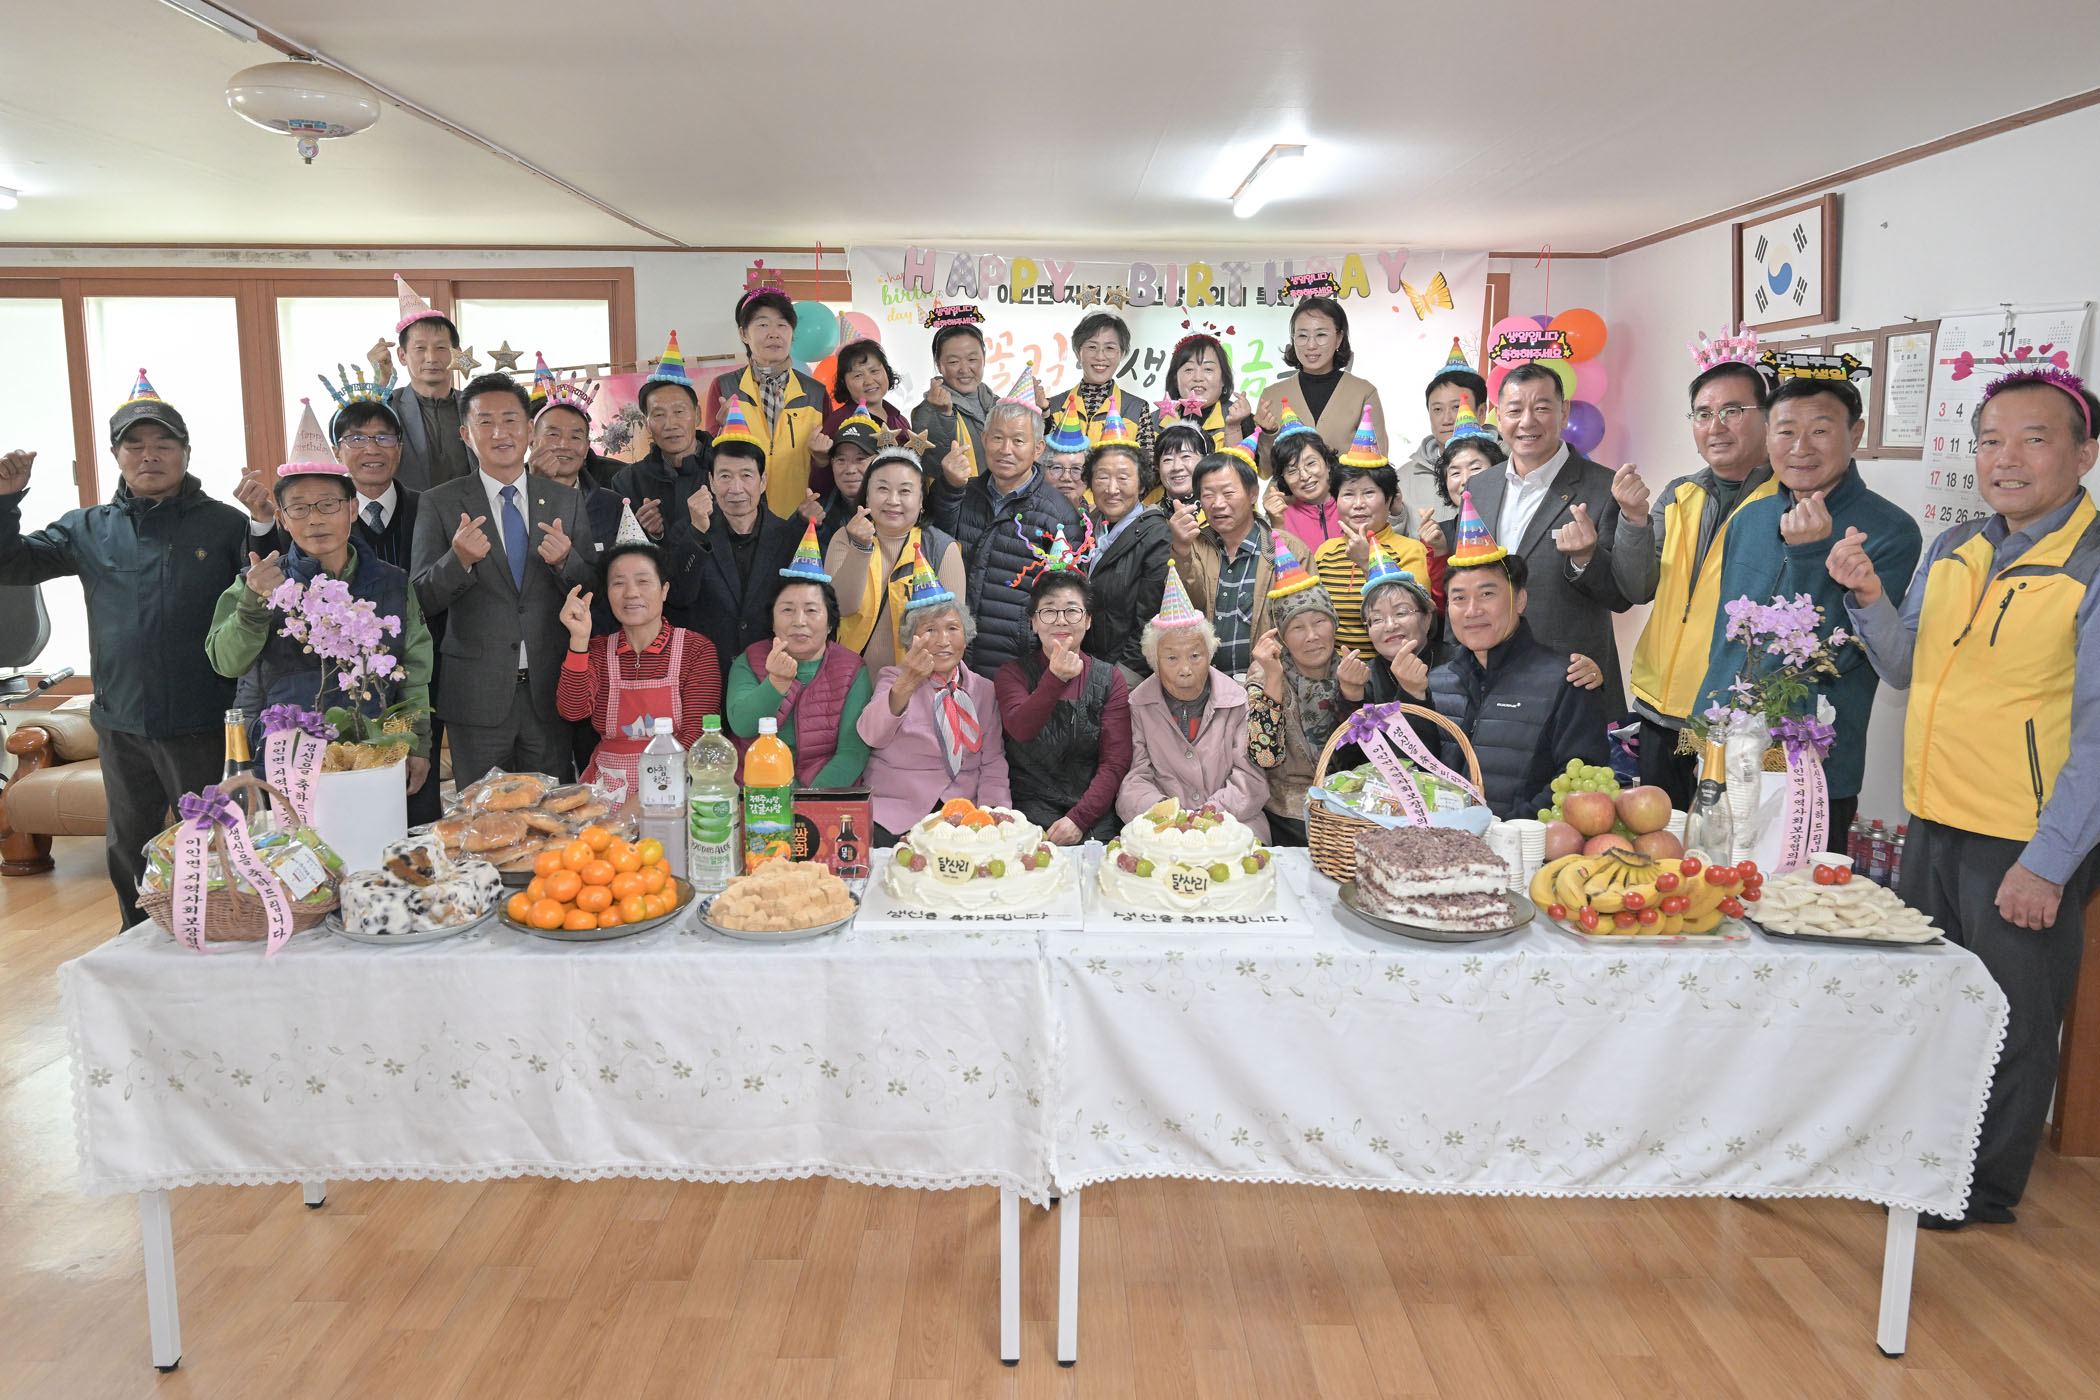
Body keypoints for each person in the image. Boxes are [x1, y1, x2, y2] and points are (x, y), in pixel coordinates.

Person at [1835, 368, 2100, 1229]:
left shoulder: (2090, 563)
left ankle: (1977, 1191)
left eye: (2034, 439)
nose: (2006, 458)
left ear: (2085, 454)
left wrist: (2048, 864)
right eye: (1990, 441)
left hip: (2025, 838)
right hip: (1935, 815)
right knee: (1935, 1002)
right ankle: (1924, 1158)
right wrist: (1868, 598)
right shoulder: (1957, 546)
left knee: (2012, 1021)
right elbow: (1905, 665)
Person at [0, 372, 249, 929]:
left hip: (204, 718)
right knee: (129, 844)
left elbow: (266, 603)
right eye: (134, 445)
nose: (149, 455)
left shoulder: (225, 524)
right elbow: (10, 563)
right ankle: (134, 941)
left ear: (186, 453)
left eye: (163, 444)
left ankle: (227, 934)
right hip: (121, 720)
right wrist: (5, 502)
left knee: (218, 838)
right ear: (116, 455)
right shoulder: (86, 528)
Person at [1694, 373, 1921, 842]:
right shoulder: (1751, 517)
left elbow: (1842, 653)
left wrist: (1810, 554)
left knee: (1795, 889)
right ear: (1767, 436)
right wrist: (1703, 726)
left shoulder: (1888, 530)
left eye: (1820, 430)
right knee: (1708, 872)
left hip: (1812, 764)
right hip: (1722, 748)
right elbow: (1726, 638)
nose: (1800, 447)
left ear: (1855, 434)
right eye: (1786, 431)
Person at [205, 401, 433, 796]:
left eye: (329, 505)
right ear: (282, 517)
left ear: (353, 509)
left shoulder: (393, 583)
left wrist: (414, 743)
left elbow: (413, 675)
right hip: (282, 759)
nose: (315, 519)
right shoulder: (256, 582)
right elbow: (226, 663)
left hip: (371, 755)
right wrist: (254, 603)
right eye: (299, 508)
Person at [411, 372, 598, 783]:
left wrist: (565, 562)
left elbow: (592, 589)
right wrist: (458, 561)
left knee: (551, 811)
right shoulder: (439, 503)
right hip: (475, 696)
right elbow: (420, 599)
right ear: (466, 434)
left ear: (529, 430)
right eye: (486, 422)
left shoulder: (565, 500)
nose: (500, 433)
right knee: (480, 812)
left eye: (511, 420)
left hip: (549, 691)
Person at [1618, 335, 1777, 807]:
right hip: (1659, 706)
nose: (1716, 426)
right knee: (1658, 836)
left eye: (1733, 411)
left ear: (1768, 417)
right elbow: (1637, 587)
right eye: (1703, 414)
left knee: (1724, 837)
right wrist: (1633, 521)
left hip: (1734, 718)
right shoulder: (1680, 493)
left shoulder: (1786, 503)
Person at [1459, 362, 1638, 714]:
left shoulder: (1604, 487)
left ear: (1564, 411)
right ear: (1499, 416)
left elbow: (1623, 595)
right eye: (1515, 410)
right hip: (1489, 680)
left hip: (1572, 682)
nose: (1527, 422)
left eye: (1541, 408)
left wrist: (1586, 558)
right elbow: (1464, 582)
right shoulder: (1480, 487)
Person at [1423, 495, 1609, 819]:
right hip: (1444, 842)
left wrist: (1511, 831)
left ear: (1520, 600)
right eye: (1459, 598)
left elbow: (1579, 781)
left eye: (1487, 594)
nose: (1472, 610)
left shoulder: (1568, 680)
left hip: (1528, 843)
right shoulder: (1434, 682)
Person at [929, 377, 1085, 674]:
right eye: (998, 438)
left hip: (1020, 668)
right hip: (955, 660)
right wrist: (949, 487)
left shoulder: (1059, 515)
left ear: (1038, 448)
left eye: (1018, 441)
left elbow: (1066, 601)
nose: (1005, 449)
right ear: (984, 439)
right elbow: (937, 544)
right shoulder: (963, 492)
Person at [555, 528, 722, 796]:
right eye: (618, 583)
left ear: (664, 590)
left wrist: (644, 799)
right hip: (605, 790)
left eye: (643, 581)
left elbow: (696, 738)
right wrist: (579, 639)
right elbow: (572, 711)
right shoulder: (597, 650)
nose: (631, 593)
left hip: (674, 789)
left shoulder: (696, 649)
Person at [856, 556, 1009, 842]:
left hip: (961, 812)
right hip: (896, 809)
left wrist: (992, 815)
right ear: (911, 639)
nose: (942, 640)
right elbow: (871, 735)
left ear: (966, 634)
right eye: (929, 630)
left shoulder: (984, 689)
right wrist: (908, 681)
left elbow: (993, 762)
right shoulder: (892, 677)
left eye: (952, 628)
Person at [1116, 566, 1270, 838]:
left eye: (1195, 656)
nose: (1185, 669)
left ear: (1209, 654)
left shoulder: (1238, 701)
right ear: (1155, 662)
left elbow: (1250, 780)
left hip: (1232, 825)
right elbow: (1134, 780)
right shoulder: (1138, 705)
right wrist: (1170, 817)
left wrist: (1206, 816)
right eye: (1172, 658)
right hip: (1164, 830)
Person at [725, 532, 873, 786]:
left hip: (824, 788)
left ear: (830, 623)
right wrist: (776, 682)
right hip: (757, 787)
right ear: (772, 621)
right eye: (787, 610)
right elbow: (743, 725)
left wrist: (811, 799)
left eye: (811, 610)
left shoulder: (852, 669)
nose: (799, 621)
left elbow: (852, 752)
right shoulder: (749, 660)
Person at [995, 569, 1132, 844]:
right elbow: (1021, 729)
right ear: (1034, 622)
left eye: (1072, 611)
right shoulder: (1011, 674)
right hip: (1028, 807)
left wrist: (1079, 818)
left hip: (1092, 810)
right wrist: (1055, 678)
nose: (1060, 620)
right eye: (1049, 611)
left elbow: (1115, 762)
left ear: (1088, 620)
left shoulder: (1110, 679)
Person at [669, 403, 805, 674]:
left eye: (746, 476)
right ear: (711, 481)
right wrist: (697, 533)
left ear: (763, 481)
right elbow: (678, 597)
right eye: (725, 476)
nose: (736, 488)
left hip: (772, 671)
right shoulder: (687, 531)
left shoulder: (790, 536)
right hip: (707, 673)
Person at [1166, 445, 1310, 682]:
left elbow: (1306, 622)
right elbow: (1186, 611)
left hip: (1270, 684)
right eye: (1208, 495)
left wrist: (1273, 664)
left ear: (1253, 494)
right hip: (1204, 686)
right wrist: (1181, 550)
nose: (1217, 503)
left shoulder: (1288, 550)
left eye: (1228, 493)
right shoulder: (1193, 546)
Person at [825, 446, 967, 673]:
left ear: (921, 501)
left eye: (904, 491)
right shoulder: (845, 538)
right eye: (882, 489)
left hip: (916, 683)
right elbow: (839, 608)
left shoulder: (942, 549)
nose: (893, 500)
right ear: (867, 496)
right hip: (847, 680)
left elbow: (952, 635)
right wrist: (860, 548)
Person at [1245, 566, 1353, 846]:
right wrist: (1273, 679)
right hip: (1288, 811)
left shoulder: (1350, 670)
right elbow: (1265, 757)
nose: (1311, 636)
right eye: (1297, 627)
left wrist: (1354, 692)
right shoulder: (1265, 675)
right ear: (1281, 636)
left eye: (1319, 621)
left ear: (1334, 623)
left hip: (1348, 806)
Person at [704, 286, 830, 519]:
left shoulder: (816, 393)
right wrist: (720, 431)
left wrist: (822, 458)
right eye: (763, 324)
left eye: (782, 325)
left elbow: (829, 465)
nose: (774, 333)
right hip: (739, 521)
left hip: (800, 519)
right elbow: (709, 461)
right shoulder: (724, 388)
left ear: (792, 333)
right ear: (743, 334)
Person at [1311, 423, 1437, 649]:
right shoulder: (1325, 551)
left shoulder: (1411, 550)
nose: (1358, 504)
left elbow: (1413, 617)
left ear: (1390, 499)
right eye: (1348, 494)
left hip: (1390, 664)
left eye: (1369, 493)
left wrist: (1366, 562)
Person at [1253, 285, 1386, 475]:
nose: (1311, 345)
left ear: (1339, 338)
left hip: (1345, 494)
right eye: (1302, 336)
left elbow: (1378, 467)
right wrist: (1267, 435)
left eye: (1321, 335)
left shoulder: (1363, 393)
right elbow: (1265, 472)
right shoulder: (1272, 395)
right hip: (1286, 495)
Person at [612, 331, 710, 552]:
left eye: (679, 412)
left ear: (697, 415)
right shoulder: (628, 482)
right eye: (658, 415)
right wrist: (651, 535)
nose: (670, 424)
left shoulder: (726, 467)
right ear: (646, 423)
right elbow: (624, 554)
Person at [1080, 437, 1169, 679]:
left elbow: (1149, 618)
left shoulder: (1156, 534)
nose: (1111, 489)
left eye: (1123, 478)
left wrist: (1117, 678)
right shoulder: (1084, 527)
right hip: (1081, 663)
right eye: (1102, 477)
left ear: (1141, 486)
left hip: (1126, 671)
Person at [384, 275, 471, 491]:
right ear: (402, 355)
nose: (431, 358)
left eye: (441, 348)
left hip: (472, 508)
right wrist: (380, 382)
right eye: (420, 348)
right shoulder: (388, 405)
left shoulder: (474, 406)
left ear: (456, 353)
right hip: (410, 510)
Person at [1396, 338, 1494, 523]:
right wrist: (1395, 515)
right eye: (1437, 409)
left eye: (1457, 407)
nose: (1447, 419)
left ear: (1481, 412)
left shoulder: (1508, 465)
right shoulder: (1404, 477)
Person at [1042, 311, 1158, 453]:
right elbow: (1042, 457)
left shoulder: (1137, 408)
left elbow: (1147, 463)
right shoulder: (1052, 407)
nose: (1100, 356)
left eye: (1110, 348)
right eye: (1092, 347)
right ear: (1078, 352)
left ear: (1121, 354)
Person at [811, 340, 910, 494]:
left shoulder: (900, 419)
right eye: (858, 375)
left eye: (874, 371)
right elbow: (821, 488)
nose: (869, 381)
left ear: (886, 371)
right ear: (844, 382)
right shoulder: (839, 421)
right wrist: (820, 460)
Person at [911, 303, 997, 479]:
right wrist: (944, 415)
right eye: (953, 362)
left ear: (984, 358)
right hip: (959, 496)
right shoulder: (926, 412)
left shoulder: (998, 404)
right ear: (939, 365)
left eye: (972, 359)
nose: (964, 369)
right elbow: (933, 467)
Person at [1262, 408, 1343, 548]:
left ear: (1328, 463)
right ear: (1283, 479)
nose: (1304, 476)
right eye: (1292, 471)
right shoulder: (1277, 516)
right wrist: (1277, 524)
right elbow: (1270, 559)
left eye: (1311, 463)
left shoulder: (1353, 503)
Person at [1159, 332, 1254, 450]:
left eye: (1208, 369)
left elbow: (1243, 461)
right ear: (1175, 379)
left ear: (1223, 378)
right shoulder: (1154, 421)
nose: (1198, 377)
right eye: (1189, 369)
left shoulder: (1241, 419)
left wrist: (1234, 427)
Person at [807, 411, 880, 553]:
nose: (850, 470)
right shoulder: (818, 511)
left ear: (879, 461)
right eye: (841, 460)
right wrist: (804, 525)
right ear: (832, 463)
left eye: (860, 459)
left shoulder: (895, 511)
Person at [1429, 406, 1502, 548]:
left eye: (1475, 468)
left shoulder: (1513, 525)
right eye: (1455, 473)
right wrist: (1439, 551)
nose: (1466, 480)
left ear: (1497, 470)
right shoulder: (1438, 536)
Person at [1151, 420, 1207, 511]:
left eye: (1186, 456)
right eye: (1168, 459)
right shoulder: (1146, 510)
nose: (1176, 467)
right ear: (1158, 466)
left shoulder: (1219, 506)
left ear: (1204, 460)